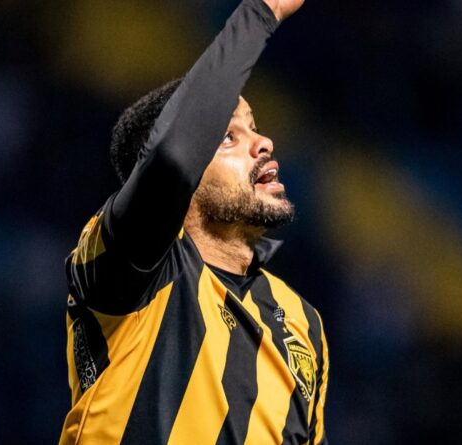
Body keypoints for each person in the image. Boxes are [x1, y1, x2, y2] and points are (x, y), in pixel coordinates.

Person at [58, 0, 328, 443]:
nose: (263, 142)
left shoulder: (304, 323)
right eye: (228, 136)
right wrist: (262, 11)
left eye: (255, 127)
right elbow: (170, 158)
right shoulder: (131, 267)